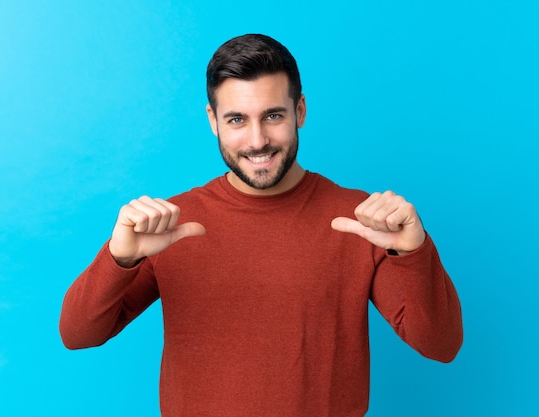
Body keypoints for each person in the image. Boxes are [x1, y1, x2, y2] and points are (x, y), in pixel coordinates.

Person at [59, 33, 463, 416]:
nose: (257, 141)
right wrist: (118, 260)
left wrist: (413, 252)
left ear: (300, 111)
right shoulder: (169, 225)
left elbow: (441, 345)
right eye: (236, 119)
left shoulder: (361, 220)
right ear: (213, 121)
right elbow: (78, 335)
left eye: (273, 116)